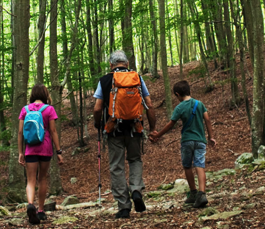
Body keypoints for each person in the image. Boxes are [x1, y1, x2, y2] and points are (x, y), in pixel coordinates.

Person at [93, 50, 156, 219]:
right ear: (127, 64)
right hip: (135, 128)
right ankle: (136, 190)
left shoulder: (105, 80)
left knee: (117, 166)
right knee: (135, 159)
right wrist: (152, 127)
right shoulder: (137, 78)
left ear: (111, 65)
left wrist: (97, 124)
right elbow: (149, 104)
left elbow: (97, 108)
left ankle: (124, 206)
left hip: (113, 130)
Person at [150, 80, 216, 208]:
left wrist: (158, 135)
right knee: (200, 165)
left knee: (187, 166)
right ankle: (202, 194)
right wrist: (211, 137)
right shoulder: (199, 104)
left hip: (187, 141)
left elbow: (171, 124)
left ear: (177, 94)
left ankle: (193, 193)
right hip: (201, 141)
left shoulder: (180, 107)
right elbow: (207, 119)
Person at [18, 84, 64, 225]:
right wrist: (58, 151)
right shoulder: (49, 109)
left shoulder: (25, 110)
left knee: (30, 180)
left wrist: (20, 152)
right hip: (45, 148)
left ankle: (31, 203)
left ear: (32, 95)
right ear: (45, 94)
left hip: (30, 148)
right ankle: (41, 210)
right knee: (42, 178)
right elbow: (53, 131)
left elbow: (20, 132)